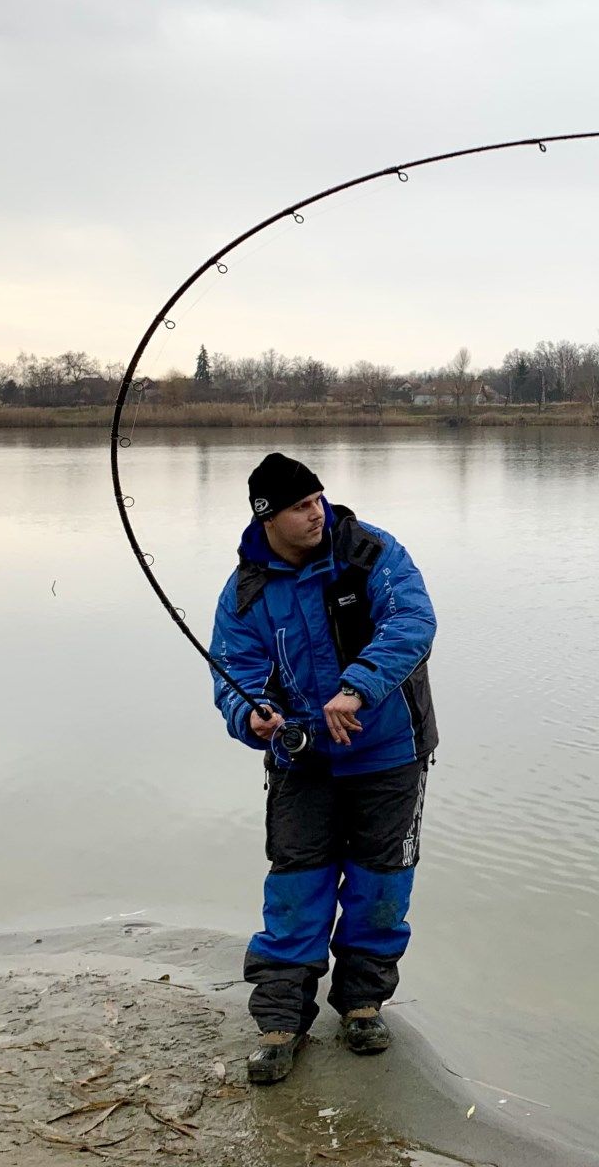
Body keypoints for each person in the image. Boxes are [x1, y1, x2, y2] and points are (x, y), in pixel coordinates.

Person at [208, 451, 438, 1084]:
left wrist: (357, 687)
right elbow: (234, 667)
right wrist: (250, 714)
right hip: (299, 759)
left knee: (380, 884)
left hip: (390, 751)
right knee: (296, 886)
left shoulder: (370, 550)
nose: (317, 514)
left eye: (318, 501)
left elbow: (414, 622)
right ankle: (281, 1023)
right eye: (301, 507)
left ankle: (363, 1004)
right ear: (268, 518)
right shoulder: (247, 588)